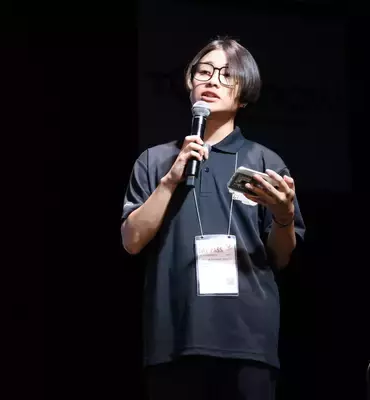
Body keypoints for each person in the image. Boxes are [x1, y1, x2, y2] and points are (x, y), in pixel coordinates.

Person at [120, 37, 306, 400]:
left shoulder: (265, 162)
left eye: (226, 74)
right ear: (190, 82)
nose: (212, 80)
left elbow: (282, 256)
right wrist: (170, 180)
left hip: (247, 340)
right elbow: (131, 241)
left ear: (244, 93)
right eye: (203, 71)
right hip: (173, 339)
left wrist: (284, 217)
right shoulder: (155, 161)